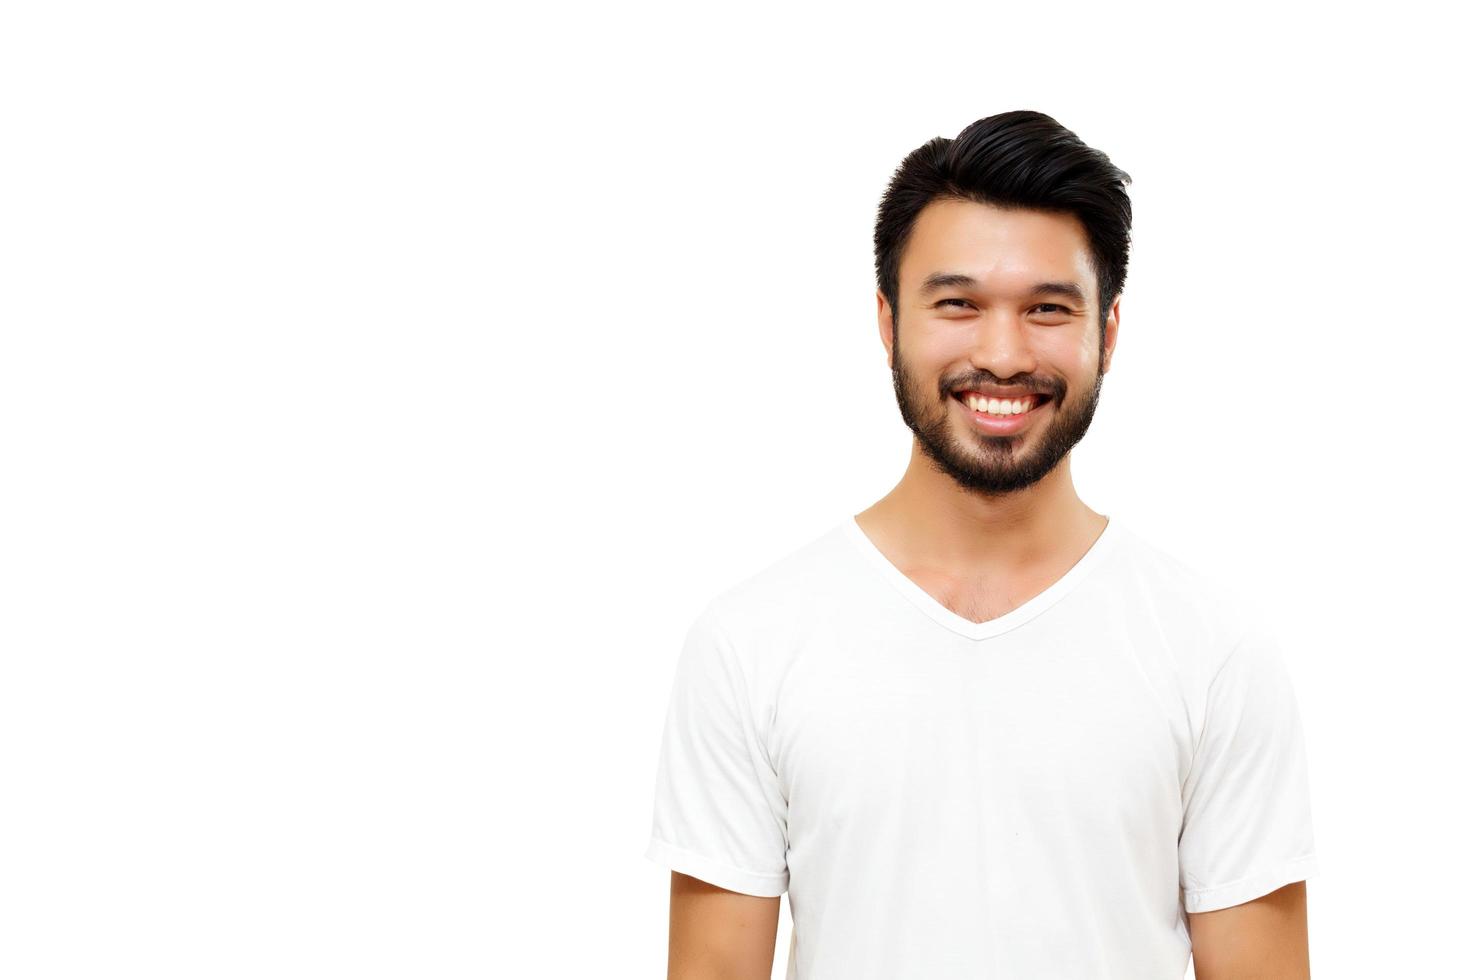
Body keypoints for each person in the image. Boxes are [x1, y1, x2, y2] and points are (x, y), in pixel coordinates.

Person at [642, 110, 1319, 979]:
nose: (1001, 355)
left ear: (1107, 333)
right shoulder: (750, 644)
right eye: (957, 304)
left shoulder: (1214, 651)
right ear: (888, 321)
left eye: (1046, 309)